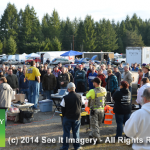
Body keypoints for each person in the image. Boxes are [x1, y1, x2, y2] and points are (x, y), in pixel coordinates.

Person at [60, 82, 82, 150]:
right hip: (77, 117)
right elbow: (82, 104)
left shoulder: (65, 98)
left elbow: (62, 107)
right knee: (76, 132)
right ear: (75, 88)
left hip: (67, 117)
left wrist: (64, 115)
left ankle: (65, 147)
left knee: (66, 133)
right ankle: (77, 146)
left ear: (68, 89)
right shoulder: (80, 96)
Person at [86, 77, 107, 143]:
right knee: (97, 125)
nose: (92, 83)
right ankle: (91, 135)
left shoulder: (92, 91)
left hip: (94, 110)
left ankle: (97, 139)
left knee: (94, 126)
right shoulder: (104, 90)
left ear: (95, 83)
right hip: (102, 110)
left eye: (93, 82)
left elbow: (86, 96)